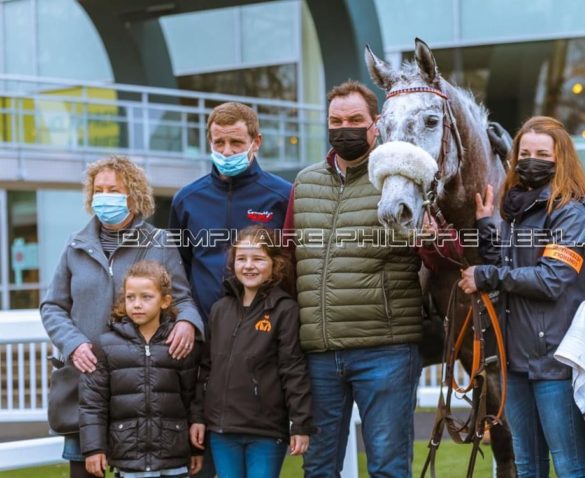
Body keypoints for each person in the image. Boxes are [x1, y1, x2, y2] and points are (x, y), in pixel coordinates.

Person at [283, 80, 423, 478]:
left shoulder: (398, 179)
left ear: (375, 124)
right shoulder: (305, 182)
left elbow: (434, 250)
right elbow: (288, 260)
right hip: (320, 352)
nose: (345, 127)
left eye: (355, 120)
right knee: (319, 468)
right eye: (336, 120)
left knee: (388, 468)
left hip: (386, 350)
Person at [41, 156, 202, 478]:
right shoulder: (76, 245)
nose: (104, 196)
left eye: (112, 189)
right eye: (98, 190)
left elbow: (182, 298)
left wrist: (187, 322)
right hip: (87, 387)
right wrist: (74, 344)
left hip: (144, 390)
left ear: (134, 194)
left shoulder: (159, 242)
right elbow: (53, 306)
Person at [459, 115, 585, 478]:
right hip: (514, 359)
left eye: (542, 153)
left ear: (560, 158)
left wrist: (486, 275)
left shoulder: (572, 212)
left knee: (568, 466)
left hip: (556, 360)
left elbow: (552, 279)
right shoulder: (517, 209)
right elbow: (507, 266)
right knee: (526, 465)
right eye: (525, 152)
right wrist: (488, 226)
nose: (531, 160)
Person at [189, 226, 313, 478]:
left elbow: (293, 369)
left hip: (265, 431)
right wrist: (198, 416)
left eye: (258, 258)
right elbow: (205, 369)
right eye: (241, 258)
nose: (248, 266)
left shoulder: (285, 310)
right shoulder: (219, 309)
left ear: (275, 263)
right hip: (222, 430)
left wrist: (300, 424)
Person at [169, 101, 292, 321]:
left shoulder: (283, 196)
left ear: (256, 142)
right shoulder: (186, 200)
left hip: (263, 331)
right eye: (219, 143)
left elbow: (293, 265)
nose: (227, 151)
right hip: (202, 331)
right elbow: (179, 270)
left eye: (236, 142)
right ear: (209, 142)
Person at [78, 260, 203, 478]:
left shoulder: (178, 345)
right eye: (130, 297)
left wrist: (195, 449)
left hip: (173, 458)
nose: (137, 304)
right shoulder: (106, 346)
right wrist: (94, 448)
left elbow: (192, 398)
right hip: (128, 459)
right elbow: (93, 403)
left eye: (146, 297)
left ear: (165, 301)